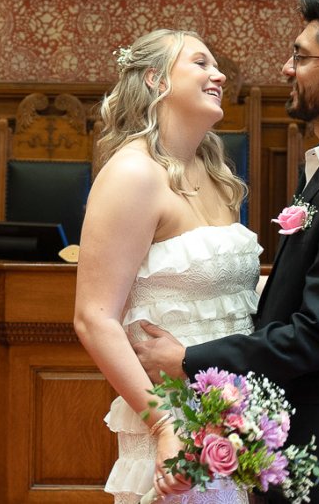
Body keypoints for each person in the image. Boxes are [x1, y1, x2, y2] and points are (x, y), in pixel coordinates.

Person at [134, 0, 319, 504]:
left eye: (301, 56)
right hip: (298, 441)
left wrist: (189, 358)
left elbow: (318, 333)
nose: (286, 68)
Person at [73, 29, 259, 504]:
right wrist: (164, 424)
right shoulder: (133, 174)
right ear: (156, 79)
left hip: (235, 419)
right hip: (172, 418)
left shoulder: (217, 175)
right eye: (201, 62)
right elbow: (94, 318)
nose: (218, 74)